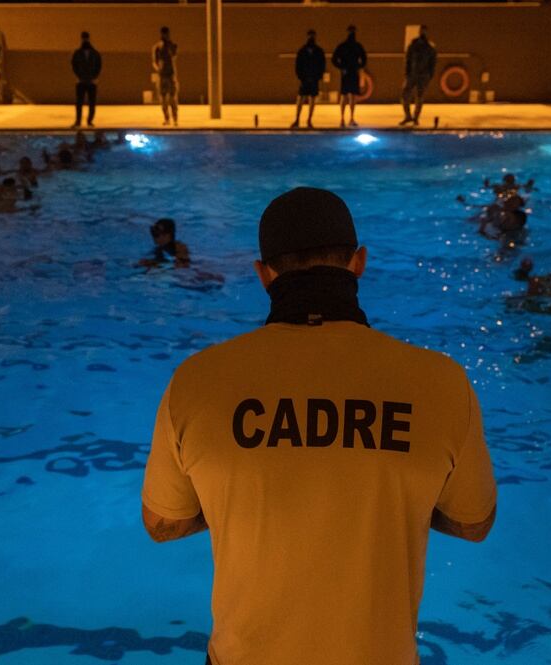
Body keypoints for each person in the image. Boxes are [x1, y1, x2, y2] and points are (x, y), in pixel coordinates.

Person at [140, 187, 497, 665]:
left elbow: (164, 524)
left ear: (263, 275)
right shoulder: (440, 382)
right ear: (359, 264)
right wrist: (389, 489)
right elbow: (474, 523)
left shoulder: (199, 380)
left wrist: (240, 488)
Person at [399, 26, 436, 127]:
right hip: (412, 75)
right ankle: (408, 116)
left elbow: (432, 63)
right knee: (404, 95)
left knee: (419, 98)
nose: (423, 33)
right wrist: (407, 73)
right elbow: (408, 60)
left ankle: (415, 118)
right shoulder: (413, 45)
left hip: (423, 76)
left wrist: (429, 76)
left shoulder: (429, 48)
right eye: (422, 31)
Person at [331, 25, 367, 128]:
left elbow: (334, 59)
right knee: (347, 96)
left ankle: (348, 118)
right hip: (349, 72)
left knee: (348, 96)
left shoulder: (344, 46)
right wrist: (356, 66)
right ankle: (345, 118)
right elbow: (364, 59)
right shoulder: (355, 46)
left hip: (348, 73)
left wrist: (342, 67)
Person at [291, 30, 325, 130]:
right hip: (305, 79)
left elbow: (322, 66)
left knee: (311, 99)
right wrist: (301, 77)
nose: (311, 38)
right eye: (310, 36)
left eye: (312, 36)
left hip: (313, 79)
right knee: (301, 99)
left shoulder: (318, 51)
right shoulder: (303, 51)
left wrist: (318, 77)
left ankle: (309, 120)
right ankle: (297, 119)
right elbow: (298, 66)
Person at [71, 31, 101, 129]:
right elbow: (74, 65)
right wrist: (78, 76)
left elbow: (99, 66)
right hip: (81, 80)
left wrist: (95, 77)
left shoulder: (95, 53)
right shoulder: (78, 53)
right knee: (79, 102)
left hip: (90, 81)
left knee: (91, 102)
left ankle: (89, 121)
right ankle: (79, 121)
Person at [152, 27, 179, 127]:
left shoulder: (172, 45)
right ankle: (167, 118)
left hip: (170, 75)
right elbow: (154, 61)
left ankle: (175, 119)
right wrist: (158, 69)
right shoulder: (157, 47)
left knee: (173, 99)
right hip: (163, 75)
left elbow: (174, 56)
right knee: (163, 99)